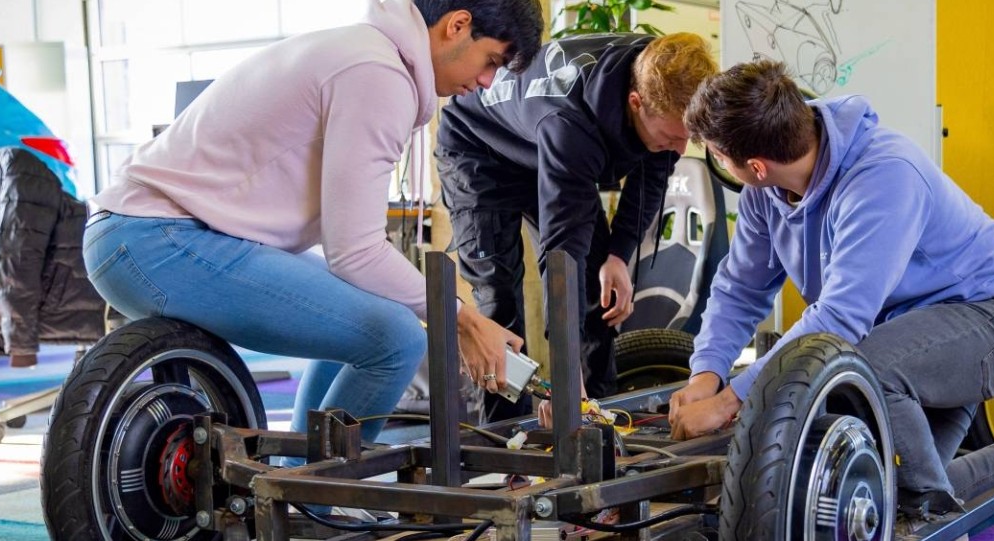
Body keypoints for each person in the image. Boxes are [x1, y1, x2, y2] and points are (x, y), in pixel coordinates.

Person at [664, 60, 994, 533]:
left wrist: (732, 401)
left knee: (863, 373)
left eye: (716, 153)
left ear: (754, 165)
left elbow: (839, 320)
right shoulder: (764, 193)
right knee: (897, 488)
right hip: (907, 336)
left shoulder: (884, 175)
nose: (715, 161)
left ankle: (938, 503)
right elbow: (740, 288)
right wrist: (705, 375)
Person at [82, 0, 543, 444]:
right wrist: (463, 320)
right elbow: (355, 252)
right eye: (490, 61)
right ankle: (312, 503)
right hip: (153, 239)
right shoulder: (379, 75)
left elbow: (352, 254)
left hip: (140, 234)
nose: (486, 82)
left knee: (384, 313)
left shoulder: (365, 52)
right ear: (457, 26)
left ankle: (298, 483)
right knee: (396, 339)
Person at [434, 32, 718, 421]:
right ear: (636, 103)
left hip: (543, 146)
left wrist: (618, 254)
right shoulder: (570, 122)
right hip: (478, 150)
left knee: (594, 292)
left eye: (687, 139)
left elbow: (652, 177)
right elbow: (563, 251)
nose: (680, 149)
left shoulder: (661, 75)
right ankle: (505, 443)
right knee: (499, 302)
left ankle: (598, 417)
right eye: (672, 136)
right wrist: (567, 376)